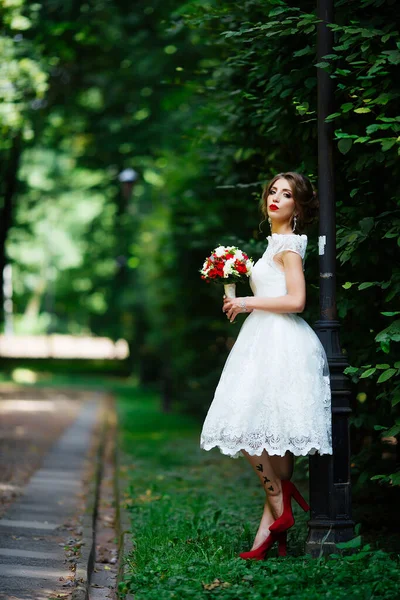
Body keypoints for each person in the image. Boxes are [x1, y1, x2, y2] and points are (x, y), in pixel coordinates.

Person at [200, 172, 333, 560]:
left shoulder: (289, 244)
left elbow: (296, 301)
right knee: (272, 439)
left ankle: (279, 496)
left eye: (286, 194)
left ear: (298, 206)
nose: (276, 198)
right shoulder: (274, 242)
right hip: (264, 339)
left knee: (243, 424)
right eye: (273, 191)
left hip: (280, 342)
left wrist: (245, 303)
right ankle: (269, 537)